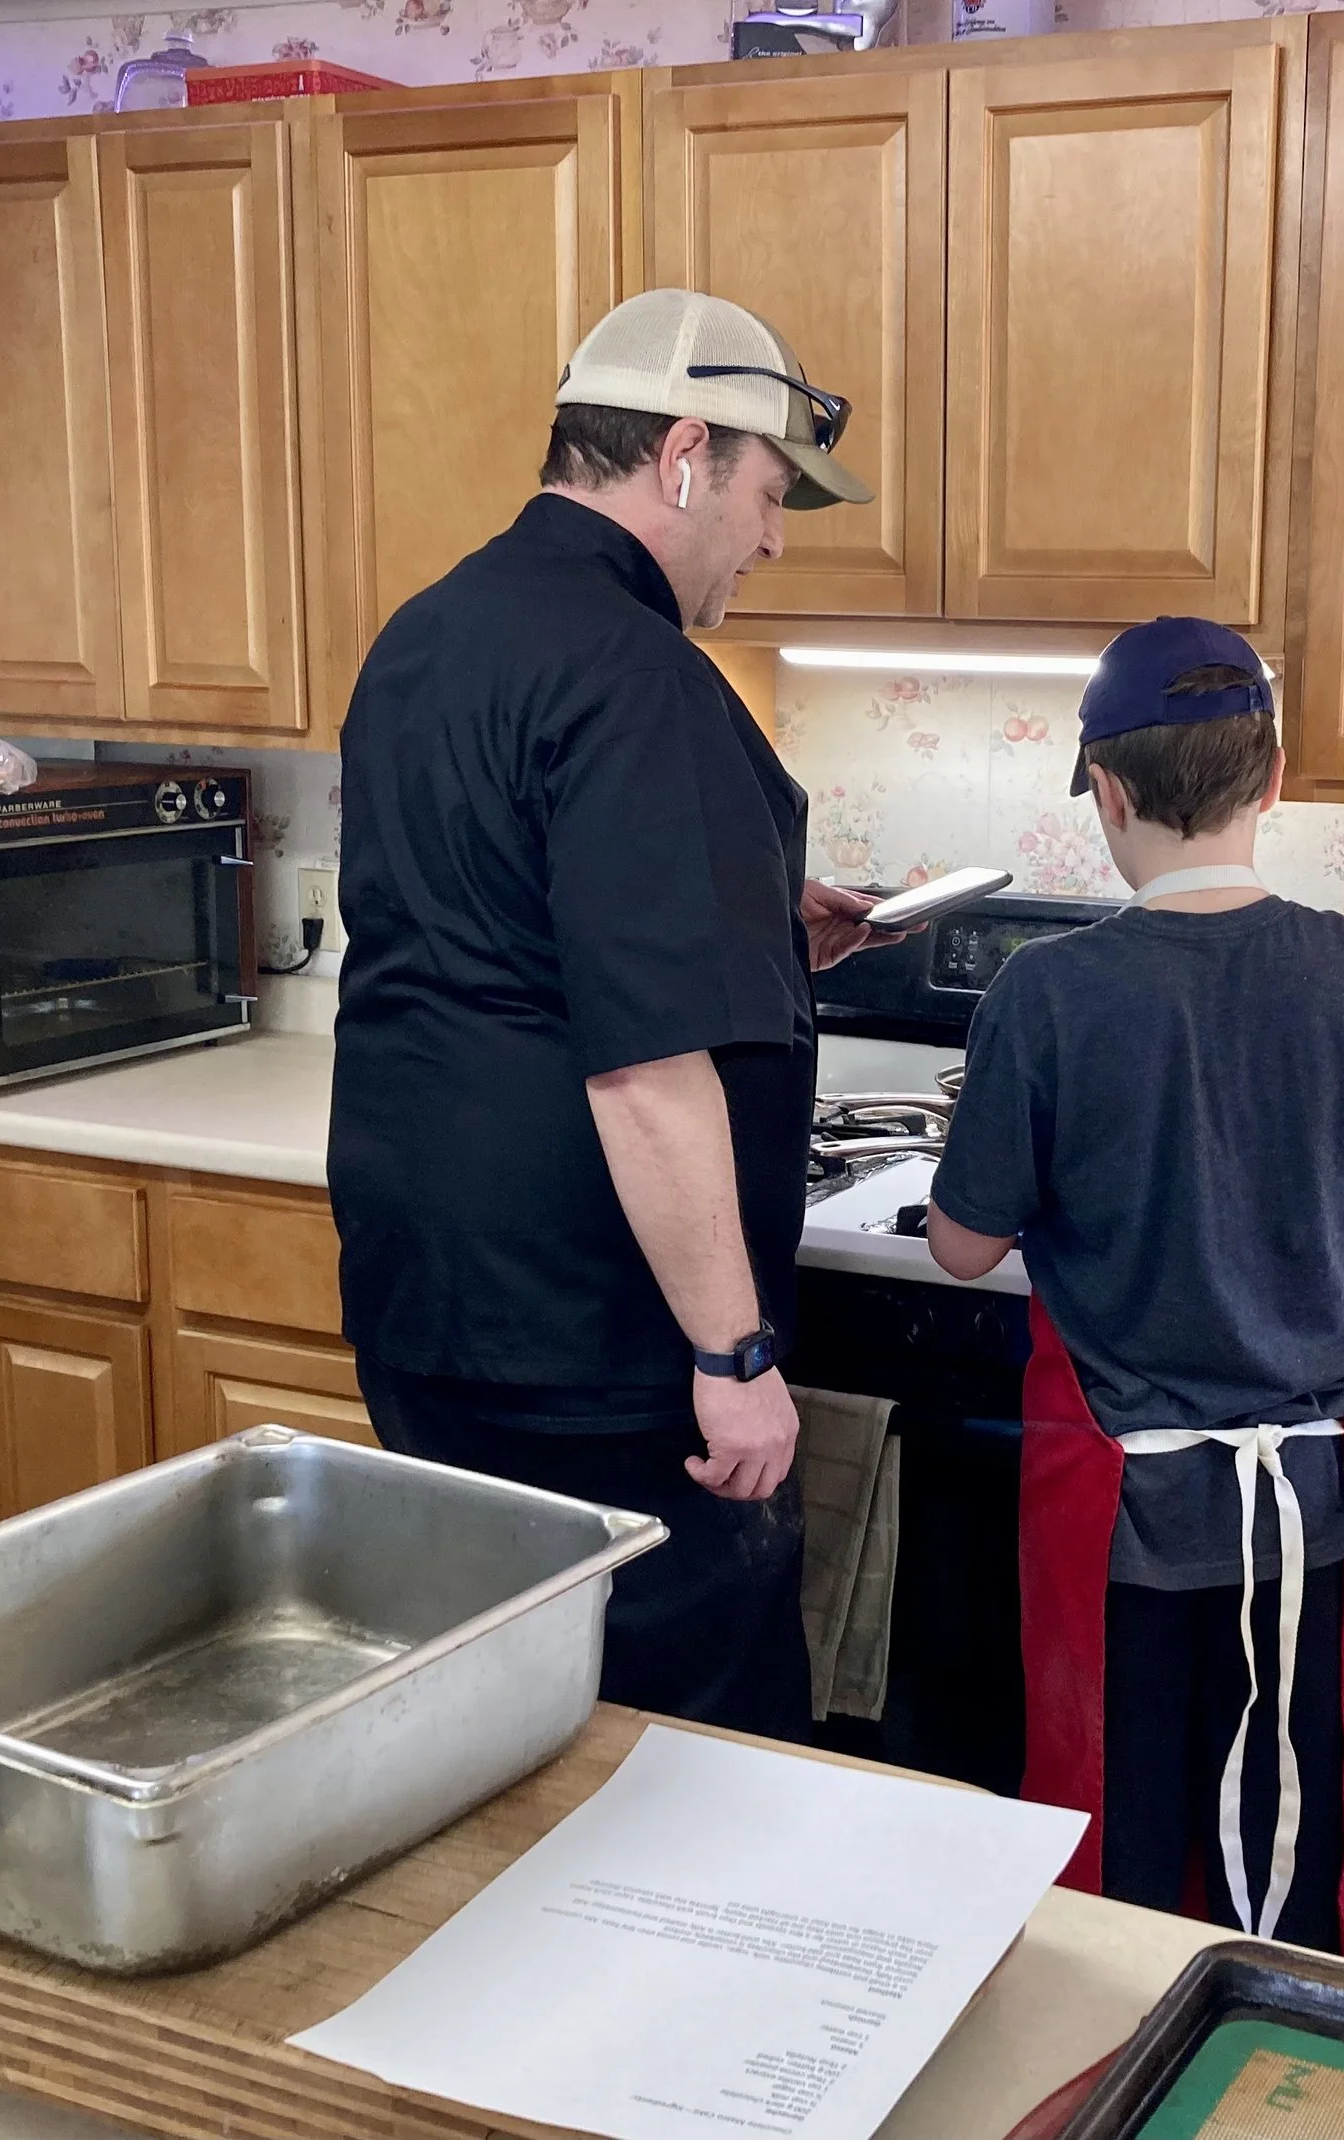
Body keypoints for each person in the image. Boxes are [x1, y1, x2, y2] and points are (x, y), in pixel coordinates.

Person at [328, 289, 884, 1742]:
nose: (772, 539)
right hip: (595, 1343)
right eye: (770, 496)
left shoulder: (428, 633)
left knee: (490, 1721)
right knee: (679, 1755)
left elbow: (510, 925)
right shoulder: (640, 676)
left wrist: (754, 927)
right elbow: (642, 1067)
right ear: (686, 454)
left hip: (429, 1312)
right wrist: (736, 1358)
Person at [924, 618, 1344, 1948]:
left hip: (1116, 1509)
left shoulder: (1046, 992)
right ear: (1278, 779)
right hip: (1305, 1512)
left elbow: (960, 1246)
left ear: (1109, 793)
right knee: (1283, 1832)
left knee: (1114, 1835)